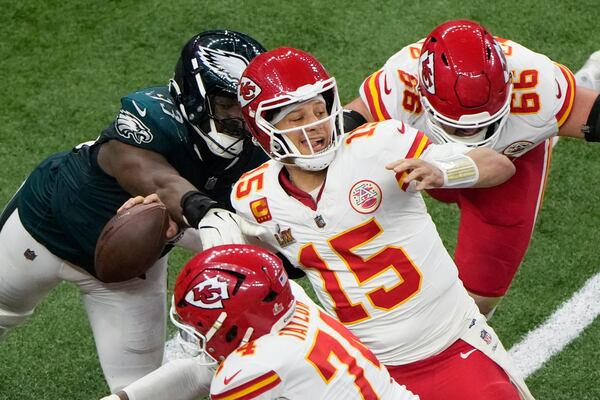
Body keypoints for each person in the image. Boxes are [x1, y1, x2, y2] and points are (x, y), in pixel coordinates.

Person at [228, 47, 533, 399]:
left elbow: (499, 166)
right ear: (264, 127)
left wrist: (445, 170)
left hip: (451, 347)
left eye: (320, 110)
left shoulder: (380, 145)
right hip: (365, 373)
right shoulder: (252, 197)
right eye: (296, 118)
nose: (315, 125)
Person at [0, 30, 268, 391]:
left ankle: (194, 340)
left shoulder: (258, 150)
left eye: (249, 102)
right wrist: (204, 212)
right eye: (227, 102)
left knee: (143, 388)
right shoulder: (152, 114)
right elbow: (156, 180)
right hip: (43, 225)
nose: (241, 115)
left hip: (132, 266)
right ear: (195, 96)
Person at [345, 19, 600, 317]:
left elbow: (590, 118)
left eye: (483, 124)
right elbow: (341, 132)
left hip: (511, 166)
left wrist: (571, 107)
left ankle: (585, 84)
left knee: (473, 308)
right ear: (421, 93)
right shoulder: (398, 87)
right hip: (423, 164)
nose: (471, 137)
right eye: (459, 128)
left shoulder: (539, 86)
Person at [99, 244, 419, 400]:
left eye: (200, 326)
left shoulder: (245, 371)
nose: (197, 336)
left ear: (237, 324)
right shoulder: (289, 300)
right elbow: (202, 370)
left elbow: (205, 373)